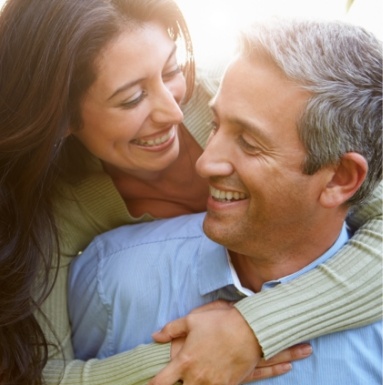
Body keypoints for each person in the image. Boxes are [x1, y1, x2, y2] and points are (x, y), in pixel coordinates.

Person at [0, 0, 381, 382]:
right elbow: (34, 373)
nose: (174, 112)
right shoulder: (59, 211)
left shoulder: (241, 93)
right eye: (132, 98)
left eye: (171, 70)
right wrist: (183, 359)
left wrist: (252, 329)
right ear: (62, 116)